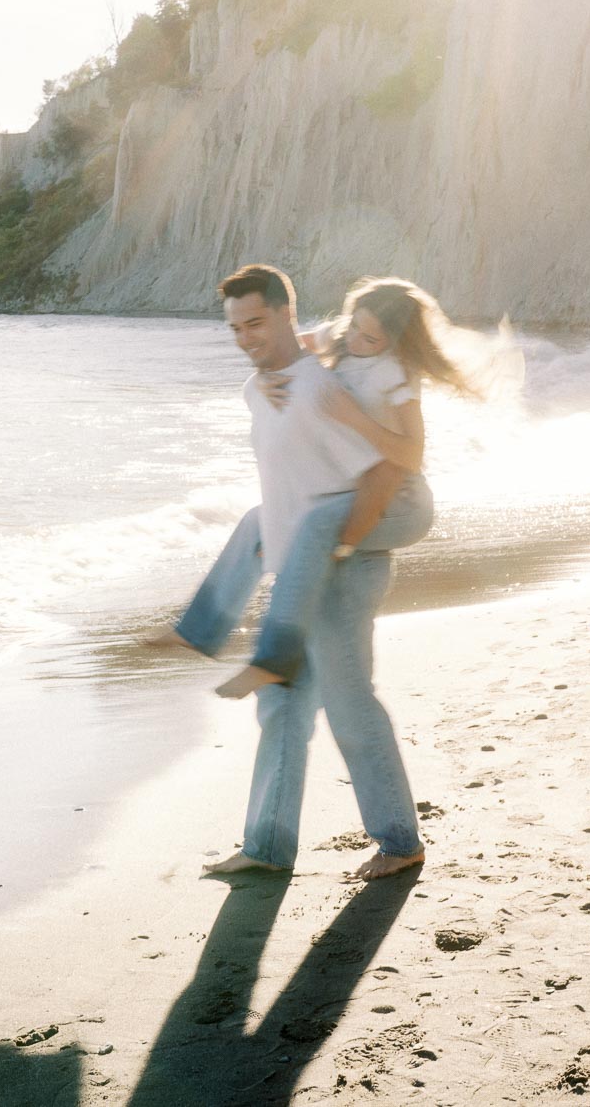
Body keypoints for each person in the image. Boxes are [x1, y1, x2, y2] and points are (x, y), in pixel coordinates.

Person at [189, 263, 426, 881]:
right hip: (313, 557)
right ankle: (267, 846)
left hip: (350, 554)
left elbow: (394, 467)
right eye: (237, 328)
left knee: (348, 702)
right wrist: (264, 377)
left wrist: (341, 546)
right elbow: (305, 352)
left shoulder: (382, 380)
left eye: (256, 323)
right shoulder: (316, 363)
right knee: (285, 706)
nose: (245, 336)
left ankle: (400, 840)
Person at [211, 276, 480, 699]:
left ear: (393, 341)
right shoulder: (340, 336)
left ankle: (272, 657)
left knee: (314, 524)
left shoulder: (396, 375)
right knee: (265, 521)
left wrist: (355, 419)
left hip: (404, 506)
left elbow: (410, 458)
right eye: (354, 326)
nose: (356, 340)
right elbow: (284, 352)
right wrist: (264, 381)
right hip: (358, 495)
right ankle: (215, 630)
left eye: (370, 338)